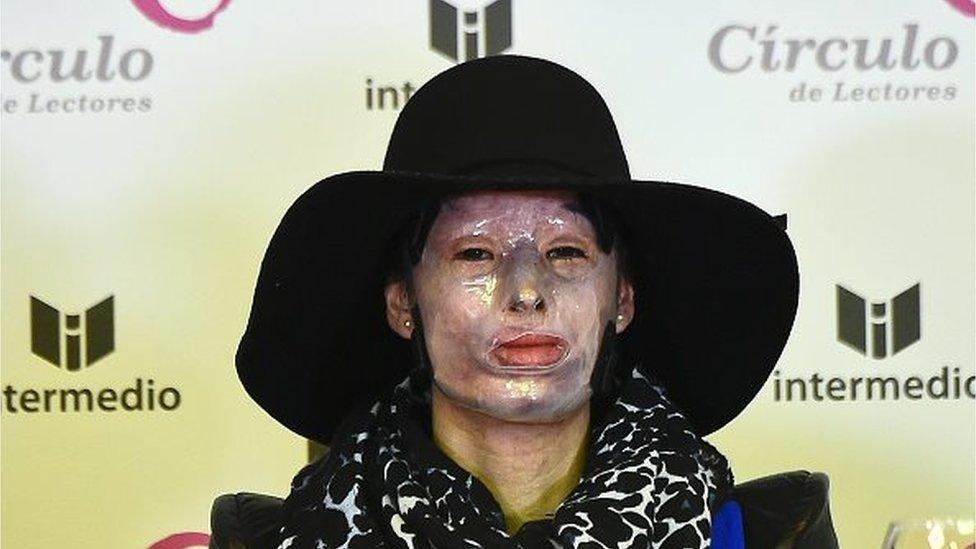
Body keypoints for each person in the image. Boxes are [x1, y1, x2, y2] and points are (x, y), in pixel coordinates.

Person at [235, 55, 801, 547]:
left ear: (621, 299)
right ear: (403, 302)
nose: (528, 292)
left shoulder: (760, 535)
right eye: (476, 254)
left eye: (567, 253)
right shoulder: (271, 540)